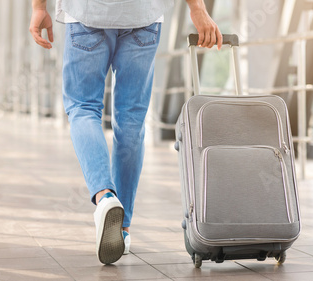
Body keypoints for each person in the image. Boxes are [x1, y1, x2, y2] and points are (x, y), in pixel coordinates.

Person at [30, 0, 222, 264]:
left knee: (83, 109)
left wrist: (39, 8)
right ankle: (123, 228)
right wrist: (197, 9)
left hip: (88, 13)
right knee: (131, 121)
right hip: (143, 16)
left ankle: (105, 196)